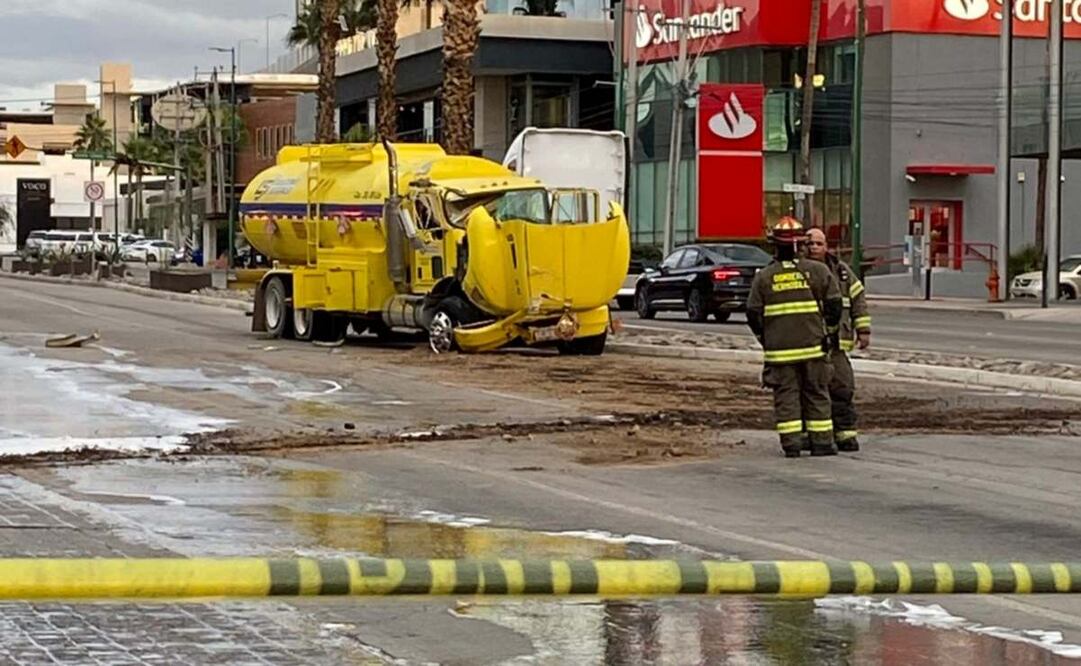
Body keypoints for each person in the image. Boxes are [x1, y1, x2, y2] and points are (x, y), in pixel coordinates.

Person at [747, 217, 844, 457]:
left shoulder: (764, 277)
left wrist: (766, 339)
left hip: (780, 353)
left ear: (775, 246)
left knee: (786, 396)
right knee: (817, 393)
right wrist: (829, 333)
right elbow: (834, 306)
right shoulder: (817, 271)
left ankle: (791, 444)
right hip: (813, 348)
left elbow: (753, 314)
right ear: (800, 244)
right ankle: (821, 442)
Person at [804, 228, 871, 452]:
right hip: (810, 343)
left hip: (837, 343)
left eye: (819, 244)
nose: (814, 248)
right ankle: (813, 435)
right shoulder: (799, 270)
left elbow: (857, 298)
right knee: (812, 388)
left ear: (826, 246)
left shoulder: (841, 272)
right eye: (810, 243)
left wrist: (863, 329)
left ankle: (845, 434)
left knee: (843, 387)